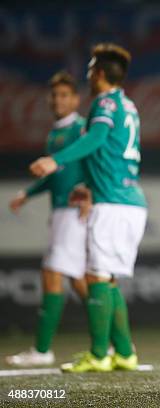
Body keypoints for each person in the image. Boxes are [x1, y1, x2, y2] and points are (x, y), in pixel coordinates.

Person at [29, 43, 148, 373]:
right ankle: (124, 352)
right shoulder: (129, 104)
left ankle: (98, 354)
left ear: (98, 74)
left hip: (113, 205)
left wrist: (55, 160)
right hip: (129, 200)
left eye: (89, 70)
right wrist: (88, 186)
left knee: (95, 275)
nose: (87, 76)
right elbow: (109, 151)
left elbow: (96, 139)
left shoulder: (104, 102)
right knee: (106, 278)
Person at [6, 71, 89, 367]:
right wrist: (27, 193)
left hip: (73, 213)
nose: (58, 100)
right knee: (79, 279)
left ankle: (42, 350)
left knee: (53, 274)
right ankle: (112, 342)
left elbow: (95, 163)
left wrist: (88, 190)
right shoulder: (54, 134)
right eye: (54, 95)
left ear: (75, 99)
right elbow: (52, 176)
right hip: (60, 213)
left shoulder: (81, 129)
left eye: (64, 95)